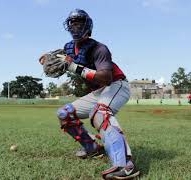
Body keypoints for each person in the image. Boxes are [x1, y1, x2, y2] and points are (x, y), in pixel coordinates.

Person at [39, 9, 140, 179]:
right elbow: (59, 57)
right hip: (98, 91)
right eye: (72, 23)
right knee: (64, 113)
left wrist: (74, 67)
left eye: (79, 22)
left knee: (100, 114)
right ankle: (92, 148)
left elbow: (106, 77)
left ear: (88, 25)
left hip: (116, 85)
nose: (75, 26)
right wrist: (47, 56)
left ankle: (126, 164)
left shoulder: (99, 48)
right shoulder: (69, 48)